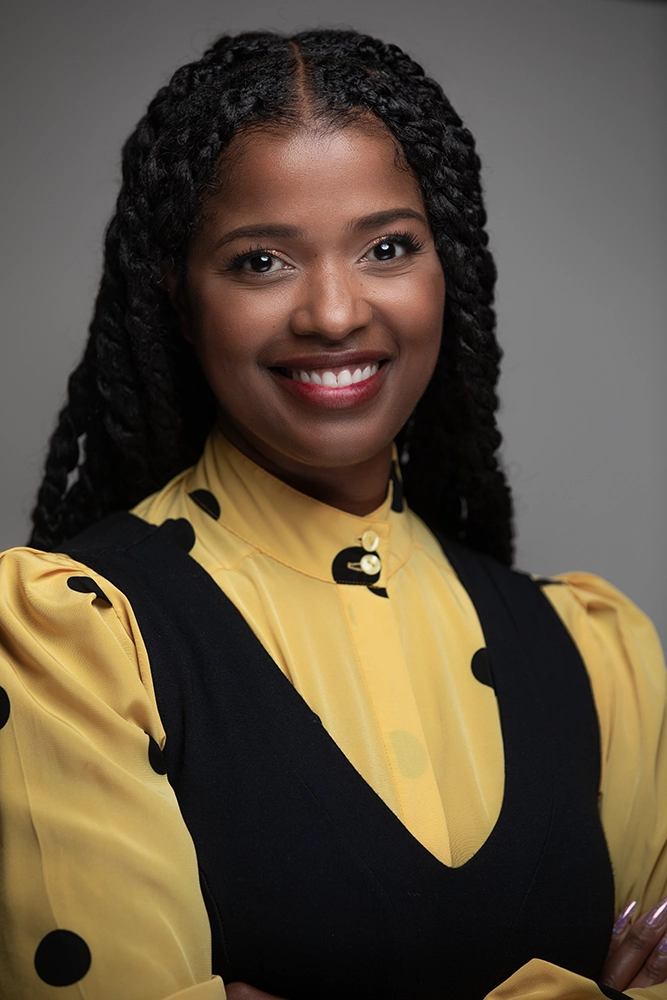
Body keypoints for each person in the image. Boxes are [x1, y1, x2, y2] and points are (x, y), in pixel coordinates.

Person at [0, 27, 665, 1000]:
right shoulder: (73, 640)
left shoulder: (597, 655)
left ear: (449, 268)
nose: (334, 313)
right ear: (179, 296)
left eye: (387, 248)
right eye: (261, 261)